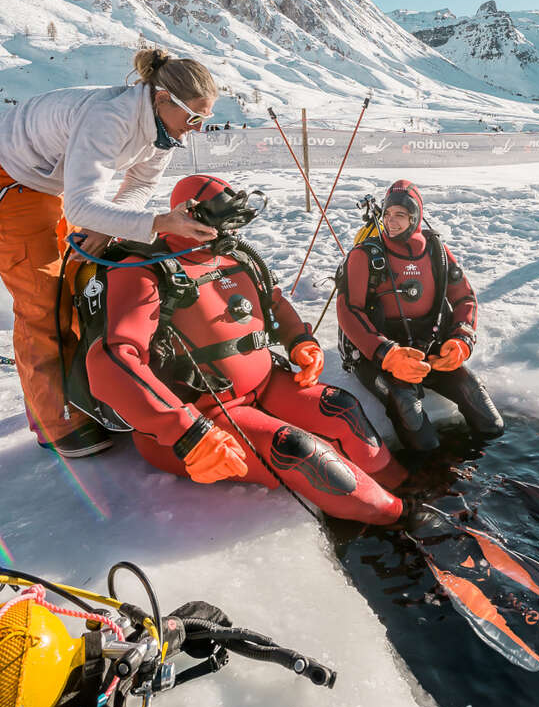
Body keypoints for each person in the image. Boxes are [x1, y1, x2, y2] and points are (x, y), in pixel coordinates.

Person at [82, 174, 405, 524]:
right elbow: (113, 362)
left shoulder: (237, 258)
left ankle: (412, 489)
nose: (232, 235)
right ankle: (402, 521)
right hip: (204, 416)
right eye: (225, 225)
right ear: (190, 216)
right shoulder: (144, 269)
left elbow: (273, 305)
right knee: (298, 452)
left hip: (265, 386)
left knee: (343, 409)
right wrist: (185, 431)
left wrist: (301, 342)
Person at [0, 48, 219, 458]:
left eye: (202, 121)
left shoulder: (162, 133)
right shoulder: (111, 117)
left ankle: (84, 394)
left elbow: (136, 188)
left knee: (81, 284)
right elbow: (81, 206)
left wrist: (104, 228)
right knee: (43, 299)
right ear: (161, 99)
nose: (196, 129)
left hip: (54, 180)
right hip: (13, 176)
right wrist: (157, 223)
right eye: (194, 118)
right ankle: (54, 420)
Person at [336, 180, 504, 453]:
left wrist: (461, 340)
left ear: (415, 217)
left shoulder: (436, 251)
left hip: (429, 349)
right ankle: (428, 484)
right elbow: (348, 310)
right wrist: (386, 354)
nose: (391, 222)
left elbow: (465, 298)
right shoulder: (364, 256)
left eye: (400, 215)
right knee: (419, 430)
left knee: (488, 420)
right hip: (375, 358)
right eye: (387, 215)